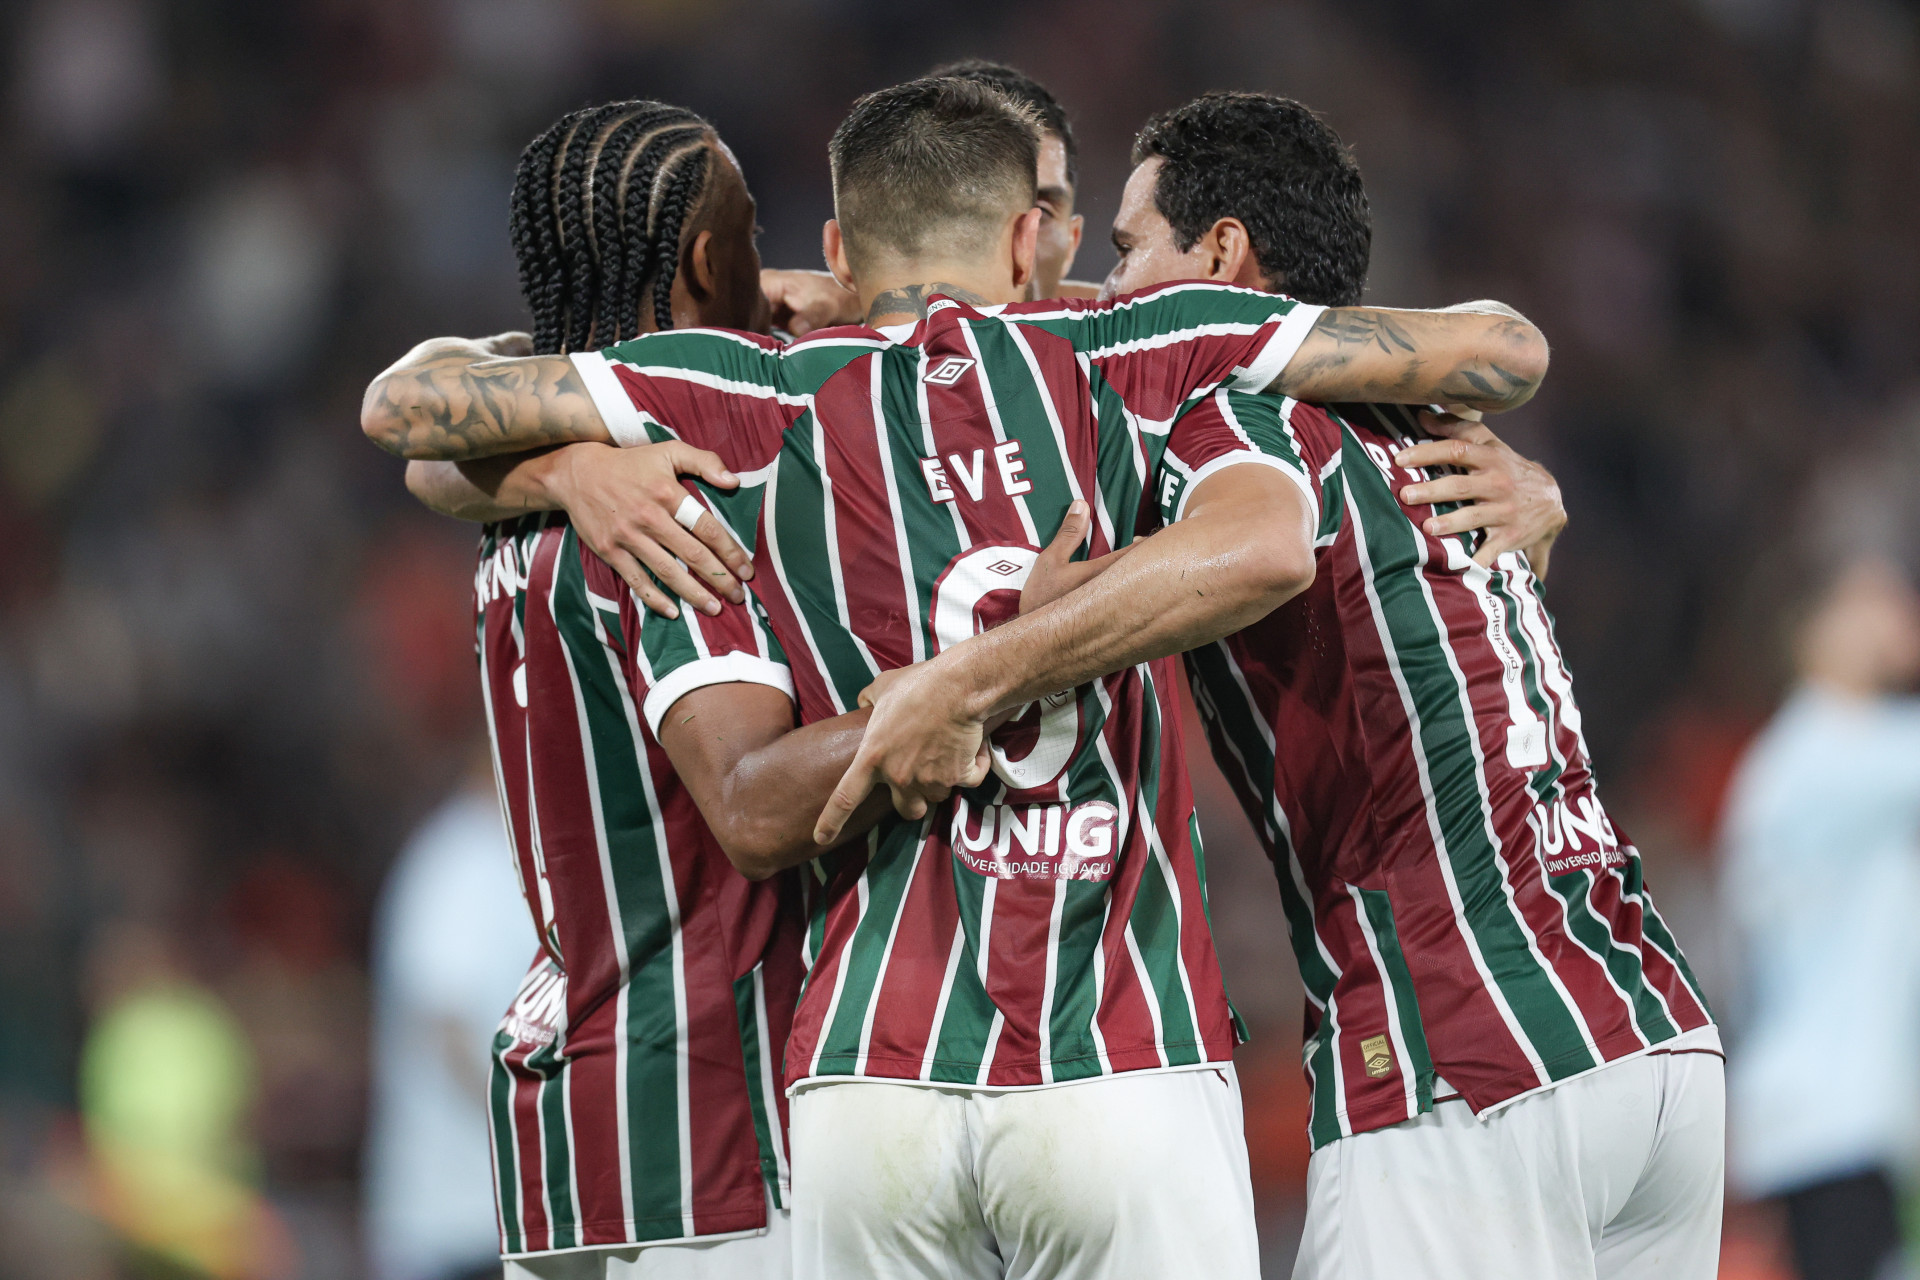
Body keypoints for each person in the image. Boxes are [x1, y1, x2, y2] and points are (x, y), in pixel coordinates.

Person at [363, 76, 1547, 1280]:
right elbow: (1502, 348)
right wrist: (970, 687)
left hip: (825, 1076)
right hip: (1051, 1067)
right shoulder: (1126, 353)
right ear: (1030, 234)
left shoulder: (739, 394)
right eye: (1069, 218)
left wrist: (552, 468)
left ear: (834, 247)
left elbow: (409, 415)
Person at [995, 91, 1719, 1279]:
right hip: (1649, 1034)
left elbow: (1264, 544)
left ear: (1221, 251)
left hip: (1464, 1044)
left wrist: (992, 666)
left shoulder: (1234, 411)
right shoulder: (1428, 410)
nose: (1109, 286)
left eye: (1127, 248)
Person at [1720, 558, 1920, 1280]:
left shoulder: (1831, 758)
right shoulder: (1818, 762)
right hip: (1832, 1117)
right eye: (1871, 597)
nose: (1899, 609)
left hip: (1834, 1113)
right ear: (1814, 631)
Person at [365, 769, 535, 1280]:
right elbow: (448, 1029)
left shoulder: (510, 852)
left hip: (496, 1221)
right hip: (457, 1224)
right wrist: (539, 1134)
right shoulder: (461, 858)